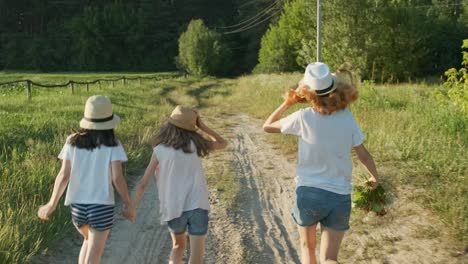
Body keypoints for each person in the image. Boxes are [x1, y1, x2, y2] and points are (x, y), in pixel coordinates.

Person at [263, 62, 379, 264]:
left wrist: (288, 103)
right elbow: (363, 154)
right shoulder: (346, 117)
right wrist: (374, 177)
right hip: (339, 196)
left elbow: (267, 126)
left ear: (307, 94)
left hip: (309, 194)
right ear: (335, 89)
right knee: (330, 258)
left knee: (308, 248)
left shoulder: (302, 117)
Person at [37, 95, 135, 264]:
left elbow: (64, 175)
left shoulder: (72, 141)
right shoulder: (113, 144)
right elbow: (117, 178)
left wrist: (51, 204)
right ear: (109, 122)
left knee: (88, 241)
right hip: (101, 206)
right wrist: (128, 202)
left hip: (77, 207)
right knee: (94, 257)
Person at [132, 105, 227, 264]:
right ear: (192, 128)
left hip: (173, 207)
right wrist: (202, 126)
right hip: (198, 205)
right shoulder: (196, 145)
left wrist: (132, 206)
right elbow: (222, 143)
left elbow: (143, 183)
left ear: (168, 125)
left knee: (178, 247)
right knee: (197, 254)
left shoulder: (159, 150)